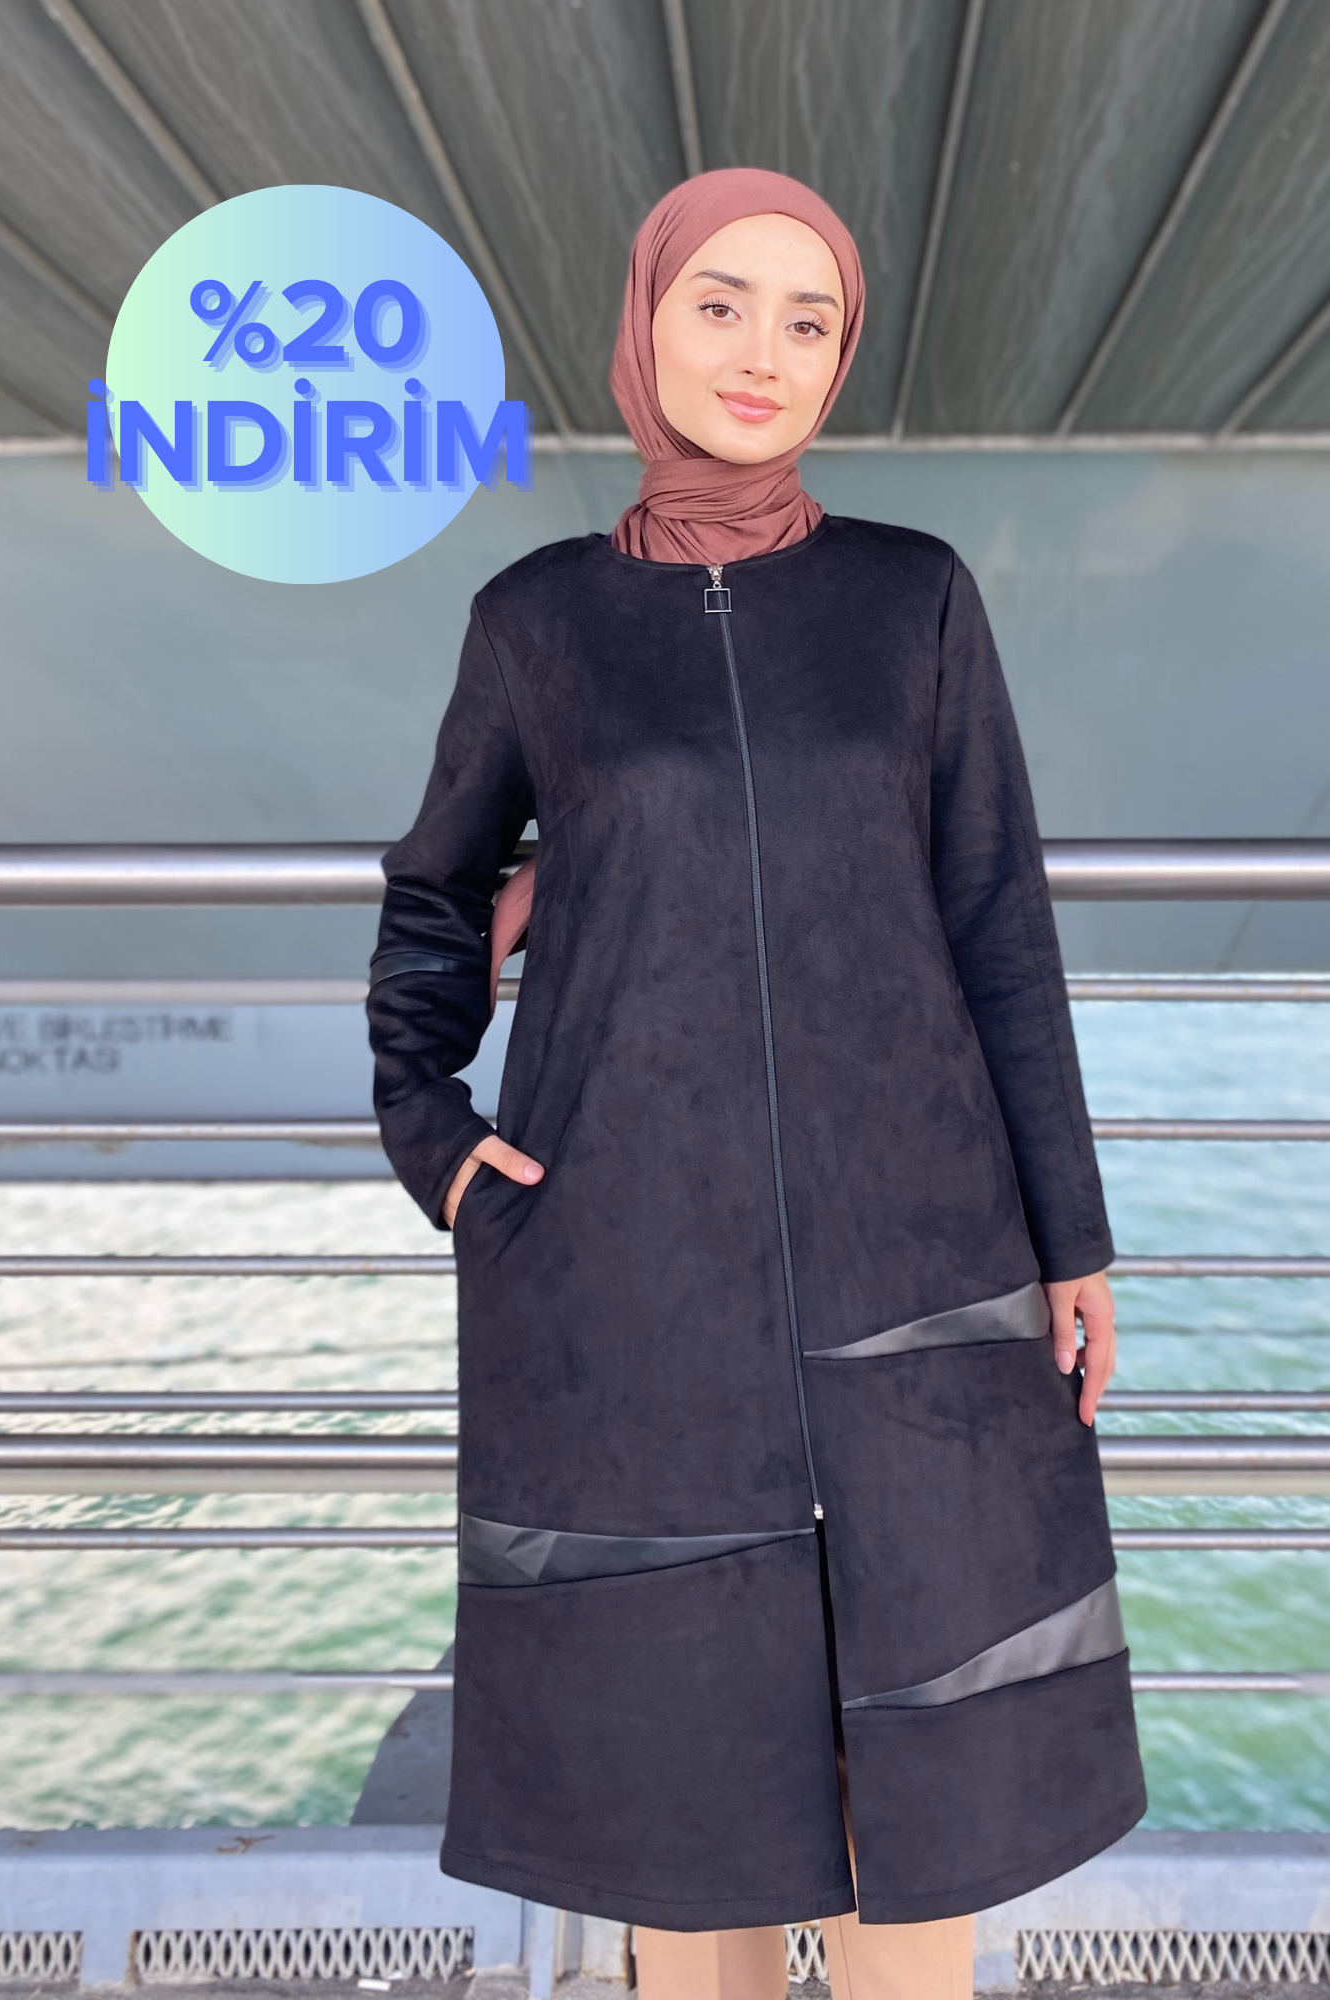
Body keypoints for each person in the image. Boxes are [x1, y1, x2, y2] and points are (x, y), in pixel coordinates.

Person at [367, 168, 1146, 2000]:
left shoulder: (912, 599)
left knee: (924, 1810)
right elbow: (434, 894)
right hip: (632, 1281)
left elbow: (999, 921)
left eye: (807, 320)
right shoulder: (536, 624)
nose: (760, 352)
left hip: (918, 1267)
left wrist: (1075, 1240)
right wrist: (437, 1137)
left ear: (839, 358)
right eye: (719, 303)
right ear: (646, 321)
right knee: (680, 1810)